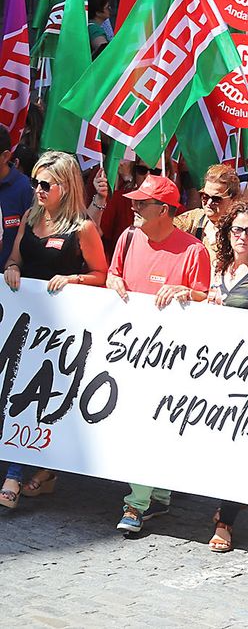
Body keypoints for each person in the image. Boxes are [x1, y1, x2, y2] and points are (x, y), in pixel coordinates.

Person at [0, 149, 109, 510]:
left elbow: (101, 275)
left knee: (34, 398)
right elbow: (16, 255)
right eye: (34, 182)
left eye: (45, 184)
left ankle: (15, 474)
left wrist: (73, 277)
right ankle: (41, 470)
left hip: (58, 333)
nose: (37, 190)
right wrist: (13, 267)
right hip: (22, 322)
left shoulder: (83, 228)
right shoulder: (31, 217)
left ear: (65, 186)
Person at [103, 173, 211, 536]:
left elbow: (205, 300)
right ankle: (158, 493)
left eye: (141, 203)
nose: (132, 207)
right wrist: (112, 280)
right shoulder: (128, 237)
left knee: (146, 427)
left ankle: (135, 504)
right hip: (127, 352)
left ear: (163, 210)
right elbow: (112, 275)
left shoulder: (194, 251)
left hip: (171, 359)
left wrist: (185, 291)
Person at [202, 201, 248, 551]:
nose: (243, 236)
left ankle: (225, 521)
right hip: (213, 370)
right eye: (237, 230)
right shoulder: (218, 268)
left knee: (236, 448)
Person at [174, 163, 242, 252]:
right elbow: (166, 229)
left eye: (216, 199)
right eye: (205, 196)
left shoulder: (241, 229)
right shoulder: (193, 218)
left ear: (233, 199)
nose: (209, 203)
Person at [0, 128, 40, 264]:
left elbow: (34, 238)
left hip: (9, 281)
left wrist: (13, 267)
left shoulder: (25, 189)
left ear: (5, 156)